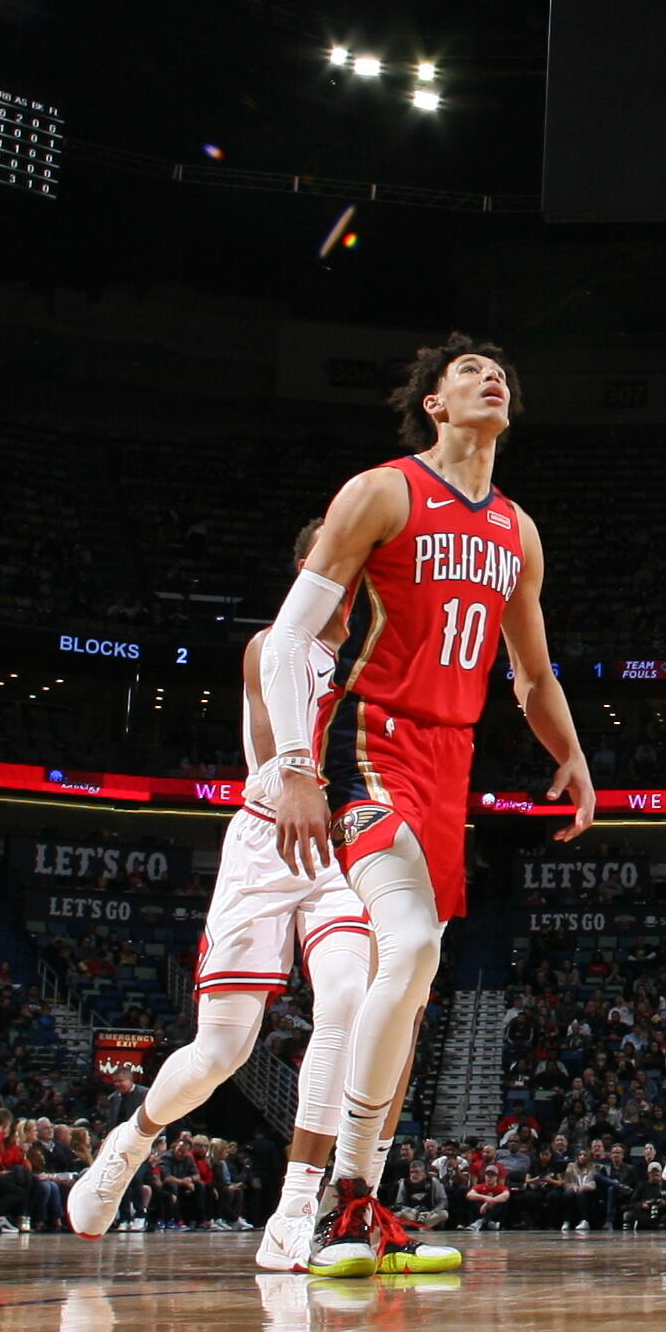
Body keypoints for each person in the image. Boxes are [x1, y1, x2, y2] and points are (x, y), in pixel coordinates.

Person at [254, 340, 592, 1278]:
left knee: (412, 976)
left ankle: (358, 1202)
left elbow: (530, 673)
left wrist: (572, 757)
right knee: (407, 948)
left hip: (452, 763)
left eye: (504, 372)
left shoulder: (517, 531)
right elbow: (287, 638)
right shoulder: (381, 492)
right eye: (473, 369)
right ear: (434, 403)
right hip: (369, 742)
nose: (496, 378)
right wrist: (293, 767)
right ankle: (340, 1200)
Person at [69, 524, 388, 1272]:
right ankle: (133, 1139)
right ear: (309, 565)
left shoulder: (374, 658)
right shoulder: (277, 643)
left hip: (341, 848)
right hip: (267, 840)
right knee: (221, 1050)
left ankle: (295, 1207)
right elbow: (285, 749)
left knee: (345, 997)